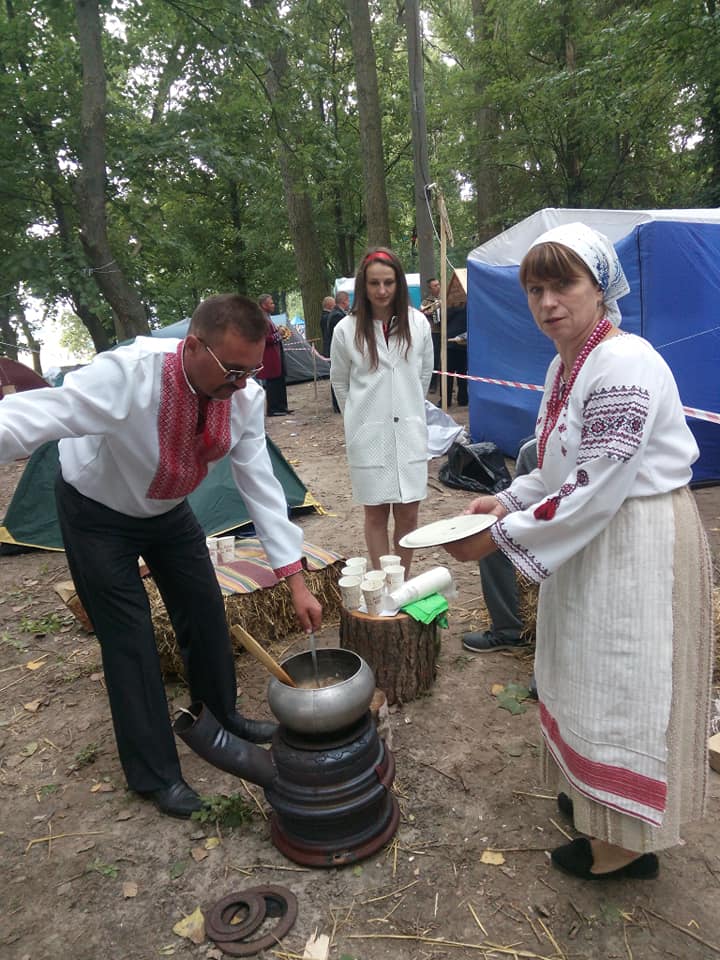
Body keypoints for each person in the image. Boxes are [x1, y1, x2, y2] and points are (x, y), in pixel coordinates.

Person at [442, 223, 713, 881]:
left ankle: (626, 845)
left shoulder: (623, 362)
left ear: (600, 287)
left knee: (624, 681)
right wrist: (505, 501)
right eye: (535, 289)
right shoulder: (567, 364)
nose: (547, 302)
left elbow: (597, 481)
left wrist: (499, 538)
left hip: (637, 540)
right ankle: (598, 800)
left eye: (562, 284)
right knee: (586, 666)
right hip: (595, 534)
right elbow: (558, 469)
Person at [0, 294, 322, 819]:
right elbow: (32, 417)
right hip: (97, 512)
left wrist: (296, 581)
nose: (241, 384)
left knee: (204, 610)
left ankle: (220, 717)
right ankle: (155, 774)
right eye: (232, 370)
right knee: (129, 640)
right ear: (192, 346)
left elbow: (260, 484)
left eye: (250, 371)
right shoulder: (128, 375)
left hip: (169, 511)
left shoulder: (242, 396)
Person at [330, 248, 433, 573]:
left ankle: (400, 582)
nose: (382, 290)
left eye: (389, 282)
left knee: (408, 514)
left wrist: (405, 405)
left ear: (399, 283)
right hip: (368, 434)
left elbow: (423, 375)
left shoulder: (418, 323)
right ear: (364, 285)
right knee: (375, 514)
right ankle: (382, 582)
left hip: (409, 431)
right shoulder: (345, 329)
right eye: (374, 283)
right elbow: (340, 382)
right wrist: (358, 419)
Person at [462, 438, 537, 653]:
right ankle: (510, 631)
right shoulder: (534, 448)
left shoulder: (533, 450)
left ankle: (510, 631)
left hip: (578, 530)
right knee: (494, 538)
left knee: (495, 542)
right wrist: (502, 504)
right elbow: (525, 500)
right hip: (548, 522)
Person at [259, 293, 293, 416]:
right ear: (264, 305)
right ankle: (273, 409)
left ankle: (282, 406)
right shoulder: (262, 319)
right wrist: (279, 334)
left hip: (277, 353)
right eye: (271, 303)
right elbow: (265, 339)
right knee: (273, 382)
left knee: (280, 380)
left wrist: (278, 333)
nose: (273, 305)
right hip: (270, 356)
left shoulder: (268, 317)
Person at [326, 291, 350, 413]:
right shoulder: (337, 316)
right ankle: (337, 405)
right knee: (339, 377)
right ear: (344, 301)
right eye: (348, 300)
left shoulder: (336, 313)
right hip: (337, 349)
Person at [444, 302, 469, 407]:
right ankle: (463, 399)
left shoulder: (449, 307)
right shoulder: (469, 305)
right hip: (464, 343)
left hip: (450, 342)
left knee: (447, 374)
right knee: (462, 373)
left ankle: (446, 400)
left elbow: (441, 321)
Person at [420, 278, 442, 392]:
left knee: (446, 359)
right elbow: (422, 312)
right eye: (435, 286)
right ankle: (433, 384)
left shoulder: (445, 298)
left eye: (438, 284)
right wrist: (429, 312)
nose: (438, 287)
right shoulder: (426, 302)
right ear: (430, 288)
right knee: (435, 358)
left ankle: (444, 384)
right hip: (434, 332)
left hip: (446, 332)